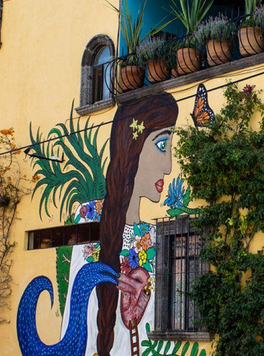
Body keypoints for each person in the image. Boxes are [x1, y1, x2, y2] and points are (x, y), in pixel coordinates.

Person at [60, 93, 178, 356]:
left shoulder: (157, 235)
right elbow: (77, 318)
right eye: (161, 146)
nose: (169, 166)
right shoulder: (91, 216)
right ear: (132, 147)